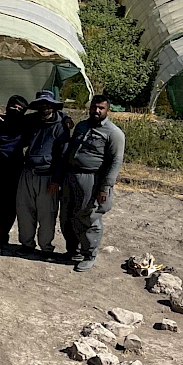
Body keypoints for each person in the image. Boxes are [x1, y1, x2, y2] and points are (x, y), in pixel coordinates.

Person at [60, 95, 125, 273]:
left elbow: (116, 162)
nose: (97, 111)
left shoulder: (114, 133)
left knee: (89, 217)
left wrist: (105, 187)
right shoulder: (82, 126)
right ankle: (73, 251)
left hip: (92, 180)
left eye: (101, 108)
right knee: (67, 215)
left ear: (107, 110)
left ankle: (90, 254)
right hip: (71, 176)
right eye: (94, 107)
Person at [16, 90, 72, 259]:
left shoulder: (61, 126)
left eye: (48, 104)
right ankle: (26, 245)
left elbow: (63, 157)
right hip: (27, 173)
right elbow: (13, 118)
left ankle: (46, 248)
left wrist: (56, 180)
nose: (44, 107)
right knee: (24, 212)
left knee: (47, 215)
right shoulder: (32, 120)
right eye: (41, 104)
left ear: (53, 106)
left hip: (48, 176)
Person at [0, 95, 30, 259]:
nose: (15, 110)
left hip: (14, 170)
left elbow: (47, 115)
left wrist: (65, 118)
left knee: (10, 208)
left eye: (19, 109)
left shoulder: (25, 124)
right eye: (13, 106)